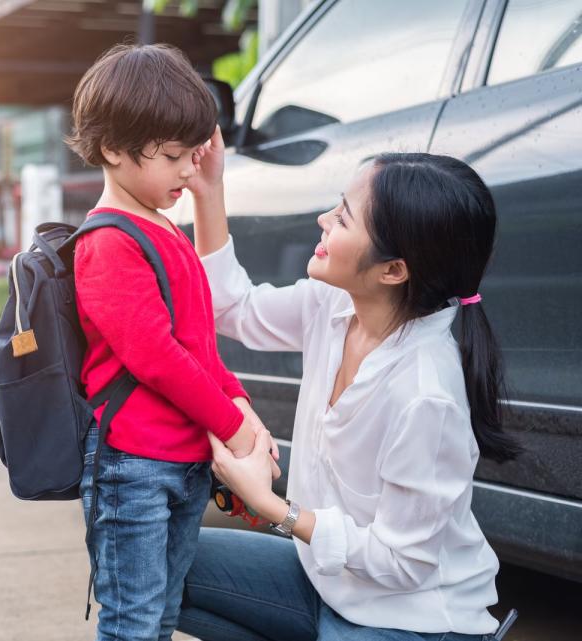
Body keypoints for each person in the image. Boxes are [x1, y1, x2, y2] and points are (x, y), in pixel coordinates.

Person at [177, 129, 521, 640]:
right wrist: (209, 190)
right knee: (149, 561)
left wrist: (272, 507)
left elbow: (403, 564)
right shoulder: (334, 305)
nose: (323, 220)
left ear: (393, 270)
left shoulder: (426, 393)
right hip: (326, 582)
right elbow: (233, 308)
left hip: (412, 617)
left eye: (342, 218)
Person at [66, 44, 279, 641]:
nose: (188, 171)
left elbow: (199, 346)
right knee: (133, 621)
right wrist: (235, 429)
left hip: (180, 463)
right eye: (172, 158)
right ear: (112, 149)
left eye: (191, 156)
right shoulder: (108, 243)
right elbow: (156, 358)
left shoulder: (161, 227)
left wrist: (244, 412)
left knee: (160, 615)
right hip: (132, 468)